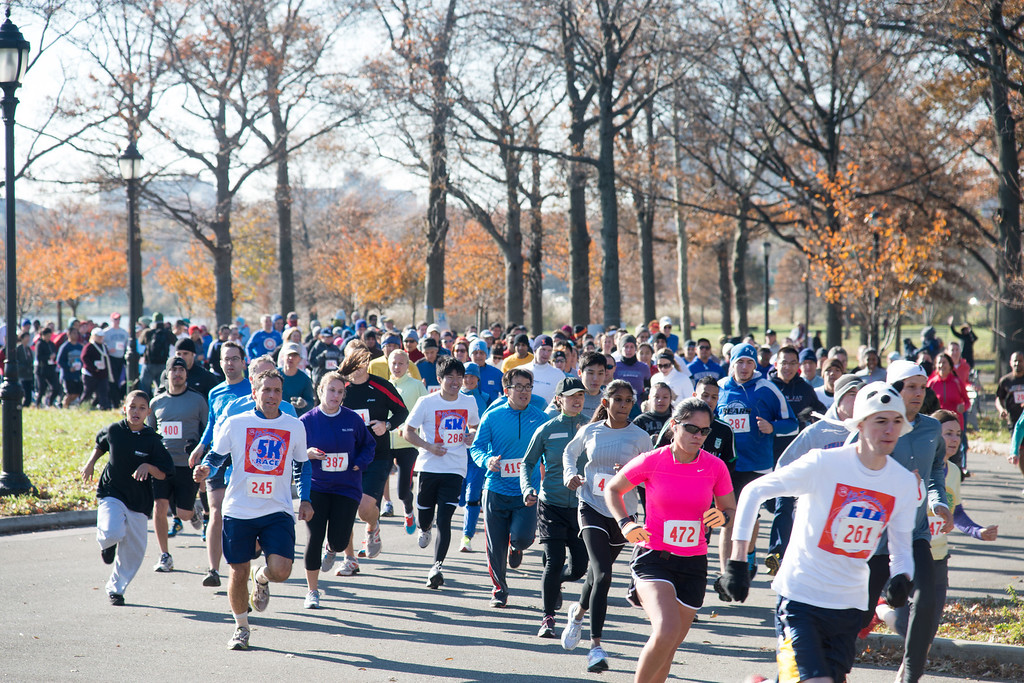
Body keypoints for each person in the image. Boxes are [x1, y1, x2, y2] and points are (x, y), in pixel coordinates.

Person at [722, 382, 920, 683]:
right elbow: (753, 491)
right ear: (861, 423)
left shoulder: (902, 483)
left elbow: (901, 549)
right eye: (881, 420)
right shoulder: (824, 464)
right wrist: (737, 563)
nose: (889, 429)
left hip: (849, 606)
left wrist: (901, 578)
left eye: (896, 421)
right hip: (801, 599)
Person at [605, 397, 735, 683]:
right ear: (674, 425)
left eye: (705, 431)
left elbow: (729, 508)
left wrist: (723, 517)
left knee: (669, 647)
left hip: (694, 563)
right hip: (655, 558)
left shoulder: (715, 467)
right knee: (665, 631)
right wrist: (625, 523)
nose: (698, 436)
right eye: (691, 429)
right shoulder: (654, 460)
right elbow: (613, 489)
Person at [193, 369, 311, 651]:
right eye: (266, 390)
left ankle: (263, 577)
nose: (272, 396)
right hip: (239, 510)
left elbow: (302, 466)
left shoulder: (293, 425)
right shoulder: (236, 423)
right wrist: (207, 468)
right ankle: (241, 628)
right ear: (254, 393)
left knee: (281, 570)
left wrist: (305, 498)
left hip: (277, 509)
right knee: (237, 571)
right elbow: (217, 456)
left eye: (277, 391)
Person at [875, 409, 998, 673]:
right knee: (911, 628)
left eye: (957, 434)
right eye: (947, 433)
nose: (953, 440)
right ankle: (882, 611)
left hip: (939, 558)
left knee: (926, 635)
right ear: (933, 437)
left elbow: (957, 512)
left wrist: (978, 531)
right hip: (911, 552)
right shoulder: (913, 466)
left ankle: (905, 677)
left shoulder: (953, 471)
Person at [859, 360, 952, 683]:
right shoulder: (877, 426)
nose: (917, 393)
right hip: (873, 540)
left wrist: (939, 500)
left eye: (922, 387)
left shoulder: (930, 429)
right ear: (894, 388)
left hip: (915, 534)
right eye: (910, 386)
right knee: (855, 615)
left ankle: (909, 676)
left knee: (926, 603)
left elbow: (935, 471)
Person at [561, 379, 655, 673]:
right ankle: (596, 647)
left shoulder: (641, 437)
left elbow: (649, 476)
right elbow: (569, 454)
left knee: (595, 574)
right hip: (590, 505)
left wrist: (629, 475)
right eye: (618, 399)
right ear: (606, 402)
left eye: (629, 400)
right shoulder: (590, 431)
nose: (624, 405)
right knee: (603, 572)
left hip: (623, 514)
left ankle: (578, 612)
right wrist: (570, 475)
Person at [192, 353, 296, 587]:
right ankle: (217, 571)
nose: (269, 387)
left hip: (272, 489)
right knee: (218, 515)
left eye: (274, 379)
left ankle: (259, 571)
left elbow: (294, 446)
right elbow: (220, 440)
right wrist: (206, 457)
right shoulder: (234, 408)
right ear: (252, 379)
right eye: (262, 376)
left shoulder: (287, 409)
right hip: (236, 476)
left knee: (265, 554)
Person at [714, 342, 796, 592]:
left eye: (749, 362)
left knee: (748, 518)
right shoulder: (721, 389)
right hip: (727, 465)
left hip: (757, 467)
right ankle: (726, 575)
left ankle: (748, 555)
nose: (745, 367)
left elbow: (793, 424)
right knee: (728, 518)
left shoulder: (767, 389)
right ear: (732, 363)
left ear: (755, 365)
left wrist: (773, 427)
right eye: (740, 362)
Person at [763, 374, 864, 576]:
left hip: (853, 514)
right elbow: (785, 464)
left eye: (861, 394)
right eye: (852, 393)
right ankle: (779, 553)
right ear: (839, 397)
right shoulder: (817, 432)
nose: (858, 399)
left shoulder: (868, 431)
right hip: (818, 512)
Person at [80, 390, 175, 606]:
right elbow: (101, 444)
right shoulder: (115, 430)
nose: (136, 411)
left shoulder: (152, 440)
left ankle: (116, 589)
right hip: (111, 491)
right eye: (132, 406)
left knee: (135, 552)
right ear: (125, 408)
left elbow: (165, 472)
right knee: (111, 531)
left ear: (148, 412)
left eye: (142, 408)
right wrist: (90, 462)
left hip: (139, 501)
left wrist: (148, 466)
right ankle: (108, 545)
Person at [470, 367, 549, 607]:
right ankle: (499, 590)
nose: (524, 392)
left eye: (528, 387)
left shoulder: (541, 418)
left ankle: (517, 547)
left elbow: (549, 452)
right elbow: (477, 448)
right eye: (519, 387)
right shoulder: (492, 416)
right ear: (506, 390)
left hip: (527, 492)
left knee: (523, 538)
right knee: (495, 546)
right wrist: (487, 461)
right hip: (496, 489)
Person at [520, 377, 590, 637]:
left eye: (580, 395)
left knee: (580, 568)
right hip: (551, 505)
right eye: (570, 395)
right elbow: (527, 464)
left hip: (583, 507)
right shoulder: (547, 429)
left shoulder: (592, 428)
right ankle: (547, 618)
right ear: (559, 399)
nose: (576, 399)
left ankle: (558, 579)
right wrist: (528, 489)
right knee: (554, 560)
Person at [402, 356, 480, 587]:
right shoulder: (427, 402)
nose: (455, 382)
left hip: (455, 469)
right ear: (439, 379)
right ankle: (424, 528)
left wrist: (471, 435)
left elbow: (476, 426)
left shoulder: (469, 402)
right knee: (425, 516)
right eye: (450, 377)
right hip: (428, 467)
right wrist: (428, 446)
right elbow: (408, 431)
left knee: (445, 520)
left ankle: (436, 568)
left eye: (459, 377)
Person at [300, 372, 376, 608]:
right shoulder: (306, 421)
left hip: (346, 487)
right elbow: (293, 453)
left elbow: (369, 445)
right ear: (320, 391)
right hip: (317, 488)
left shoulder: (352, 419)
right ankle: (312, 591)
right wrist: (307, 453)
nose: (335, 395)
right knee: (314, 538)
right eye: (331, 390)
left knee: (340, 540)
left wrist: (359, 462)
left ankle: (332, 549)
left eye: (340, 391)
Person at [336, 342, 408, 572]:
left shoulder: (381, 386)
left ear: (368, 362)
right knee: (345, 510)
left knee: (364, 507)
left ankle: (372, 525)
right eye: (352, 361)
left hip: (377, 456)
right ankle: (349, 559)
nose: (357, 366)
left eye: (362, 361)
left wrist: (386, 424)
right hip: (345, 458)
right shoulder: (339, 387)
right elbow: (324, 412)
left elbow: (402, 411)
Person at [148, 357, 208, 573]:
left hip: (187, 465)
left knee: (183, 513)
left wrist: (198, 444)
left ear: (186, 374)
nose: (178, 373)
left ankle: (192, 513)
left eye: (182, 370)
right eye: (174, 370)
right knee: (160, 506)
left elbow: (207, 430)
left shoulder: (198, 400)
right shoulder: (156, 402)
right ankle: (164, 555)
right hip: (163, 466)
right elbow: (150, 433)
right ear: (167, 374)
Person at [389, 349, 429, 534]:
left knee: (402, 492)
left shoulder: (416, 386)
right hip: (386, 445)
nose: (397, 367)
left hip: (408, 444)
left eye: (401, 363)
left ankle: (408, 510)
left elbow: (428, 412)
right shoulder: (385, 385)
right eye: (394, 363)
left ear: (407, 365)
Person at [928, 353, 970, 431]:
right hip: (937, 424)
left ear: (950, 366)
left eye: (944, 362)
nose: (941, 365)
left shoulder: (957, 382)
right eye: (939, 363)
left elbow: (967, 401)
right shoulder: (932, 383)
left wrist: (963, 407)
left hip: (955, 425)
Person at [524, 335, 565, 404]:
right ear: (534, 350)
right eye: (543, 349)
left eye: (549, 350)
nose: (546, 354)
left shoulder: (558, 375)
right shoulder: (521, 370)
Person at [278, 342, 314, 416]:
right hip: (272, 417)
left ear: (299, 359)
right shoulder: (274, 374)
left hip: (294, 418)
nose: (291, 358)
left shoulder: (305, 379)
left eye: (294, 355)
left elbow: (311, 403)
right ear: (283, 356)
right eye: (289, 355)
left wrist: (304, 403)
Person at [81, 328, 113, 410]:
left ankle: (104, 406)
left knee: (103, 391)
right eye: (98, 336)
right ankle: (82, 405)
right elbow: (84, 358)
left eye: (101, 337)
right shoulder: (89, 346)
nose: (100, 338)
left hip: (102, 373)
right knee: (88, 391)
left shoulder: (104, 346)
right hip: (90, 373)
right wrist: (93, 368)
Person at [614, 335, 650, 402]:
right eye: (626, 347)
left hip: (638, 407)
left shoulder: (644, 367)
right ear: (621, 349)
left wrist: (647, 392)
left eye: (632, 347)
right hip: (619, 405)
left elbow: (648, 385)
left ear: (635, 349)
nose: (629, 350)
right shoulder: (615, 366)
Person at [103, 313, 130, 405]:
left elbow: (128, 344)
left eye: (118, 319)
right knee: (112, 379)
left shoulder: (124, 332)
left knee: (121, 379)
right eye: (115, 319)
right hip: (111, 358)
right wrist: (108, 350)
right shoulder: (106, 332)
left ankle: (119, 399)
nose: (117, 321)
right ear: (111, 320)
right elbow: (100, 344)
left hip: (121, 358)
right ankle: (114, 400)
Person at [56, 328, 84, 408]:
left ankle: (64, 404)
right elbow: (59, 361)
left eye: (76, 333)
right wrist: (68, 368)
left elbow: (82, 359)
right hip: (67, 375)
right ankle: (64, 406)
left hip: (77, 374)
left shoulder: (79, 346)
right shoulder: (65, 347)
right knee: (70, 393)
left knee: (77, 393)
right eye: (74, 333)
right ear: (69, 334)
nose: (76, 335)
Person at [995, 352, 1024, 428]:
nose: (1017, 363)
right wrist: (1002, 410)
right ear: (1010, 363)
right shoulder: (1005, 381)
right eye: (1015, 361)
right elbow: (999, 398)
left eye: (1020, 361)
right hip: (1013, 420)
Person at [34, 327, 60, 407]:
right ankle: (37, 404)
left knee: (56, 387)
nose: (49, 337)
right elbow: (39, 357)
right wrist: (49, 357)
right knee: (42, 388)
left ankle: (49, 402)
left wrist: (54, 357)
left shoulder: (51, 344)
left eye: (50, 335)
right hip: (42, 369)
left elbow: (55, 353)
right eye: (47, 335)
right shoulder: (39, 344)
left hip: (51, 368)